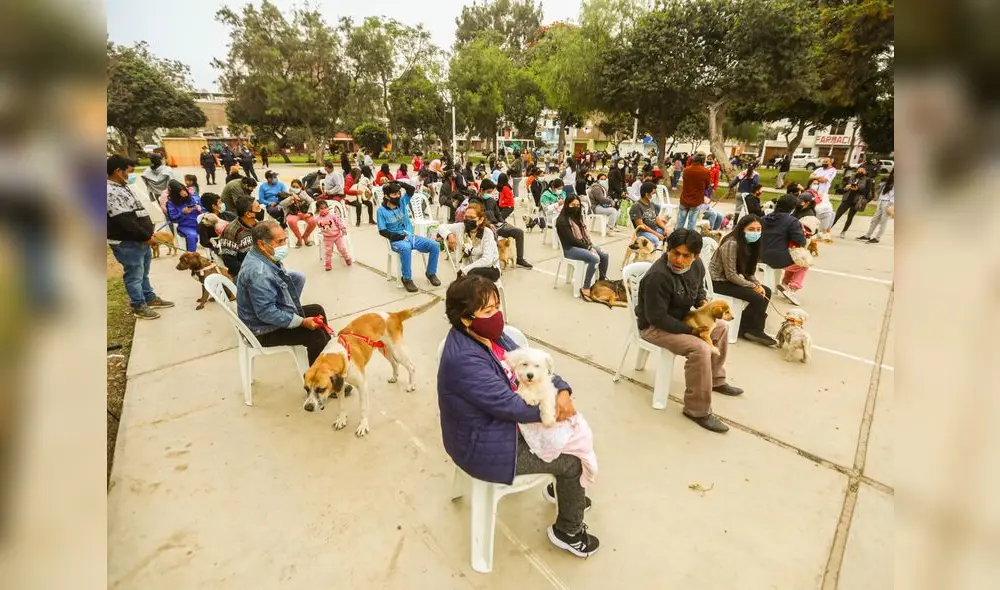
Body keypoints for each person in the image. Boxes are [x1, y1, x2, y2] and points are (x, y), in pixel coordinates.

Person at [438, 275, 600, 557]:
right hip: (485, 445)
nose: (497, 315)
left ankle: (564, 490)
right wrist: (555, 408)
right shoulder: (464, 360)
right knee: (574, 460)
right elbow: (510, 407)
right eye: (488, 311)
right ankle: (568, 531)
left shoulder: (490, 334)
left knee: (576, 431)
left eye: (496, 306)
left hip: (503, 426)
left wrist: (561, 391)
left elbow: (538, 368)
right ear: (465, 318)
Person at [635, 229, 743, 433]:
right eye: (674, 253)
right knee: (700, 348)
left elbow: (698, 290)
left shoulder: (697, 266)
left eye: (686, 256)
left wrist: (703, 304)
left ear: (696, 256)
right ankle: (697, 409)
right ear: (667, 250)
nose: (678, 259)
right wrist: (693, 332)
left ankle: (715, 379)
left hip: (682, 318)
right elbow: (657, 318)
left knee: (720, 327)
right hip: (654, 327)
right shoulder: (658, 277)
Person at [237, 221, 332, 365]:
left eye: (285, 239)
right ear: (262, 244)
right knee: (316, 335)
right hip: (261, 330)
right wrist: (301, 322)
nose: (284, 245)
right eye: (280, 241)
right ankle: (319, 381)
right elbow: (266, 313)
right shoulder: (258, 273)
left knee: (317, 310)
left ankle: (329, 361)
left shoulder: (262, 254)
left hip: (264, 319)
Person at [108, 154, 175, 320]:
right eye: (128, 172)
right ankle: (138, 305)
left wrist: (148, 232)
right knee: (134, 275)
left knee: (143, 272)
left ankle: (149, 297)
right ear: (117, 171)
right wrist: (145, 236)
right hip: (128, 242)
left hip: (140, 238)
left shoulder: (121, 186)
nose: (130, 175)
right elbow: (124, 220)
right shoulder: (109, 191)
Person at [709, 215, 776, 346]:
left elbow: (749, 273)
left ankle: (748, 326)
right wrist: (752, 286)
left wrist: (756, 284)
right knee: (756, 296)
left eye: (758, 229)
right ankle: (752, 329)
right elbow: (731, 275)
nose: (755, 233)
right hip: (718, 281)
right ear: (742, 229)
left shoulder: (752, 244)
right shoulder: (731, 243)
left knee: (766, 291)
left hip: (729, 279)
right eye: (751, 229)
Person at [377, 182, 442, 293]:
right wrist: (396, 236)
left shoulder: (402, 202)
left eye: (398, 193)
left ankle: (431, 273)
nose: (398, 196)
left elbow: (411, 189)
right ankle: (406, 279)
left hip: (410, 236)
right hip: (396, 241)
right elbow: (382, 231)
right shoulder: (381, 211)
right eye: (394, 194)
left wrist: (399, 183)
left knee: (435, 245)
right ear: (387, 196)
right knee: (406, 248)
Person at [471, 180, 534, 270]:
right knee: (492, 234)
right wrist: (488, 225)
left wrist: (503, 222)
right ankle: (491, 261)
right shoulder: (474, 202)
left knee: (518, 232)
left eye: (491, 192)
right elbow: (475, 218)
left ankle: (519, 258)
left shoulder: (491, 200)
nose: (489, 194)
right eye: (488, 192)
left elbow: (498, 214)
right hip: (484, 226)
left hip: (497, 225)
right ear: (481, 190)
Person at [557, 194, 609, 300]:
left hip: (583, 244)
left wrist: (589, 246)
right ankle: (586, 288)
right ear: (567, 205)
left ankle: (601, 282)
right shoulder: (562, 220)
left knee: (604, 255)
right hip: (570, 249)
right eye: (573, 205)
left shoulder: (578, 217)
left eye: (578, 205)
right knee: (594, 258)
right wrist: (589, 248)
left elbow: (584, 236)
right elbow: (571, 240)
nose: (576, 207)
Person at [760, 194, 809, 306]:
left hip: (759, 256)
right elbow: (801, 241)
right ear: (792, 208)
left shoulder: (763, 218)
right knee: (803, 262)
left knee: (793, 257)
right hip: (778, 258)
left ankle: (786, 283)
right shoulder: (792, 221)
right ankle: (792, 288)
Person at [438, 201, 501, 282]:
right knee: (463, 282)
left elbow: (487, 260)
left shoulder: (487, 233)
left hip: (490, 268)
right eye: (466, 217)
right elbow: (441, 227)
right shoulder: (461, 227)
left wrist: (465, 270)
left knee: (470, 276)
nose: (468, 220)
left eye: (472, 218)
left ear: (480, 220)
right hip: (467, 268)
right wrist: (449, 235)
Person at [218, 195, 262, 277]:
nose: (261, 210)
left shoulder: (259, 225)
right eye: (258, 207)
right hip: (244, 274)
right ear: (248, 214)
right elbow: (230, 262)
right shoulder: (231, 231)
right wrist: (253, 272)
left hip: (260, 267)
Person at [830, 165, 871, 238]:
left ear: (865, 172)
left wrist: (856, 188)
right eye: (859, 170)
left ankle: (843, 231)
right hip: (846, 199)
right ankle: (828, 228)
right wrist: (844, 189)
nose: (860, 172)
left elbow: (866, 192)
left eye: (862, 171)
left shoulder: (867, 180)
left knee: (850, 217)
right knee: (837, 215)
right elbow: (844, 188)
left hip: (856, 201)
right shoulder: (851, 178)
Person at [857, 169, 894, 244]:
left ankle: (877, 238)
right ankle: (867, 236)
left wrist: (891, 204)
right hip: (881, 201)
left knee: (883, 222)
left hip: (888, 203)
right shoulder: (889, 180)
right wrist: (878, 199)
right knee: (874, 220)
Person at [165, 179, 202, 252]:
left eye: (184, 190)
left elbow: (206, 211)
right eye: (181, 192)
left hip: (201, 223)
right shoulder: (171, 203)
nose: (185, 193)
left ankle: (213, 257)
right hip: (186, 226)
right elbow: (172, 219)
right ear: (175, 194)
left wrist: (200, 209)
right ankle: (191, 257)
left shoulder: (195, 197)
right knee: (192, 236)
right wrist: (183, 213)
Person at [314, 199, 352, 269]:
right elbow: (320, 227)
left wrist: (343, 228)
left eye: (325, 208)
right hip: (327, 238)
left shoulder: (333, 215)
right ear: (318, 209)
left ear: (328, 207)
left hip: (337, 236)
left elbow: (339, 222)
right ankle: (328, 264)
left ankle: (347, 258)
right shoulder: (317, 219)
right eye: (321, 208)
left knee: (342, 248)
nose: (324, 210)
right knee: (328, 252)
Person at [629, 181, 669, 246]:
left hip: (654, 229)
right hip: (642, 232)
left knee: (672, 235)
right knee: (655, 240)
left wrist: (665, 228)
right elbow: (641, 226)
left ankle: (666, 254)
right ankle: (650, 255)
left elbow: (657, 218)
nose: (654, 195)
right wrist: (656, 234)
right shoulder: (636, 206)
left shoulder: (651, 204)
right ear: (647, 194)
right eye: (653, 193)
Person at [679, 153, 711, 230]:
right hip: (696, 200)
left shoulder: (686, 170)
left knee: (680, 222)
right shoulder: (705, 171)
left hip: (684, 199)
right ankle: (689, 239)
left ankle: (676, 238)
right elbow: (707, 186)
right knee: (692, 222)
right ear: (703, 161)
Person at [282, 179, 316, 247]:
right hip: (293, 213)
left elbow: (312, 202)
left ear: (300, 187)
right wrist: (290, 198)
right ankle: (299, 238)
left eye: (297, 187)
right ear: (291, 186)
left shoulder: (304, 193)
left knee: (313, 221)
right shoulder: (287, 193)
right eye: (293, 186)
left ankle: (305, 237)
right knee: (291, 221)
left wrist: (309, 213)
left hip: (304, 213)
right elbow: (282, 204)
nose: (295, 188)